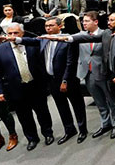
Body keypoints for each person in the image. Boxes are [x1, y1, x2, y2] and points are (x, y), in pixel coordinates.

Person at [51, 13, 115, 142]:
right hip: (110, 76)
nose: (108, 22)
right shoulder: (106, 34)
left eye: (111, 20)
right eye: (108, 20)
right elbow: (89, 38)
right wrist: (65, 38)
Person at [18, 17, 88, 145]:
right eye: (46, 26)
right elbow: (30, 40)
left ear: (60, 26)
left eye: (51, 25)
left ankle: (82, 129)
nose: (48, 28)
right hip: (52, 79)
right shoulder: (44, 39)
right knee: (61, 106)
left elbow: (70, 62)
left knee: (77, 105)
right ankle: (69, 130)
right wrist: (15, 39)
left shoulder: (68, 39)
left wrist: (65, 80)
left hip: (68, 79)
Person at [0, 24, 54, 151]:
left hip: (35, 85)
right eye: (10, 33)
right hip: (16, 89)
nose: (12, 36)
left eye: (16, 33)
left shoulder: (32, 44)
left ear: (22, 33)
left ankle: (48, 133)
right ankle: (32, 138)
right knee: (24, 116)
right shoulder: (0, 50)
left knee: (42, 112)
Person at [70, 12, 115, 139]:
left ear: (96, 22)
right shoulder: (81, 35)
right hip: (88, 73)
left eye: (87, 21)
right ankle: (106, 124)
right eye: (83, 21)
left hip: (103, 72)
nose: (84, 23)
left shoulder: (105, 33)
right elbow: (67, 37)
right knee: (99, 101)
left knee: (111, 100)